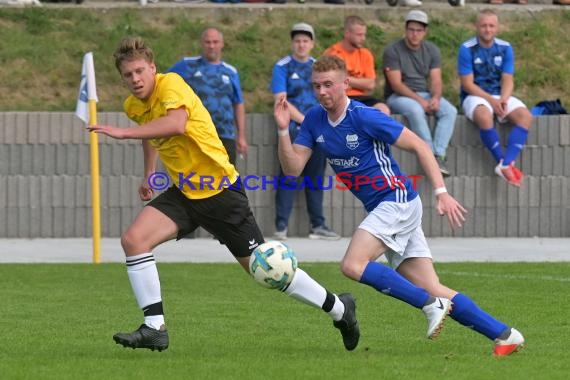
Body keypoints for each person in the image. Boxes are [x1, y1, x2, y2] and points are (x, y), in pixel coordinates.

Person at [87, 36, 360, 352]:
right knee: (134, 240)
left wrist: (123, 132)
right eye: (127, 75)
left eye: (139, 71)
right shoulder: (134, 105)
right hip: (185, 193)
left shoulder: (171, 84)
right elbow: (152, 132)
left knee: (267, 272)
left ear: (152, 68)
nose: (134, 79)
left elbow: (175, 124)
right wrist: (149, 172)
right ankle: (154, 328)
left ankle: (340, 308)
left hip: (220, 193)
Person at [274, 54, 525, 356]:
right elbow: (292, 169)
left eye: (328, 85)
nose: (322, 92)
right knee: (434, 287)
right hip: (386, 208)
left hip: (397, 201)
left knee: (353, 265)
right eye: (317, 86)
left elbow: (420, 145)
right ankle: (504, 334)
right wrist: (281, 130)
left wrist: (442, 191)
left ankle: (430, 306)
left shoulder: (364, 116)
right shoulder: (314, 118)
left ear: (346, 84)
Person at [270, 22, 340, 241]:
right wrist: (304, 121)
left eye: (305, 41)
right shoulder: (282, 66)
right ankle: (281, 226)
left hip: (318, 131)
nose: (301, 45)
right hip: (291, 130)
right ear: (293, 43)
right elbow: (281, 100)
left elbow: (328, 96)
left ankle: (318, 226)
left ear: (312, 43)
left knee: (316, 178)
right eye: (298, 41)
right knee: (289, 175)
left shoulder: (318, 67)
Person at [457, 9, 533, 187]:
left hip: (499, 94)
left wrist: (504, 99)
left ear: (497, 28)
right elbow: (467, 84)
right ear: (477, 27)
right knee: (484, 115)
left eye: (491, 26)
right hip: (474, 95)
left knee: (525, 116)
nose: (487, 29)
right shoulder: (466, 48)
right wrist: (492, 101)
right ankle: (501, 160)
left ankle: (506, 164)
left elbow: (508, 78)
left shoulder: (505, 48)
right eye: (484, 25)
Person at [383, 10, 457, 177]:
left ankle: (439, 154)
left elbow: (436, 80)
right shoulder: (393, 50)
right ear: (405, 29)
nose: (414, 34)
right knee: (416, 110)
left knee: (449, 111)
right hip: (398, 97)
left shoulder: (432, 50)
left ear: (425, 32)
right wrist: (420, 101)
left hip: (424, 94)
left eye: (419, 30)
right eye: (411, 29)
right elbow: (396, 84)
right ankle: (429, 155)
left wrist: (436, 98)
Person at [167, 27, 247, 165]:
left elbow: (238, 104)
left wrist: (241, 135)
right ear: (201, 44)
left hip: (224, 134)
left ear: (222, 44)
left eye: (215, 42)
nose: (211, 46)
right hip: (196, 134)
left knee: (226, 181)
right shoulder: (188, 65)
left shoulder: (230, 71)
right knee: (195, 180)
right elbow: (165, 83)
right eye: (208, 42)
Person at [324, 15, 390, 115]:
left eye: (364, 35)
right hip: (340, 98)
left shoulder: (366, 54)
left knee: (383, 109)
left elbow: (370, 84)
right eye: (359, 35)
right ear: (347, 34)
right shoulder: (333, 53)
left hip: (362, 97)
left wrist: (344, 79)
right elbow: (331, 83)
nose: (363, 38)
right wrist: (358, 82)